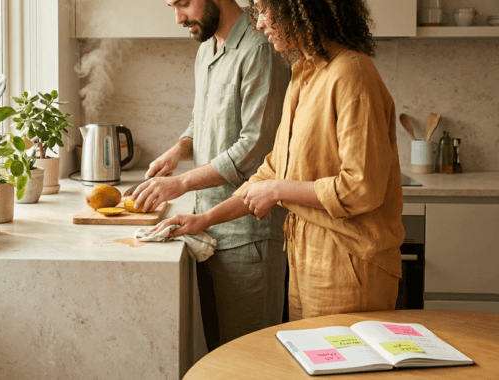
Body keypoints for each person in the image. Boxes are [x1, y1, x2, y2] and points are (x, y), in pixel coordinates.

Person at [152, 0, 405, 322]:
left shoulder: (351, 73)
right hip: (307, 256)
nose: (259, 23)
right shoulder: (305, 73)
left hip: (349, 261)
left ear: (301, 8)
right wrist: (205, 220)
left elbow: (361, 188)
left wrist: (277, 190)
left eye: (266, 10)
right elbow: (272, 170)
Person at [131, 0, 290, 351]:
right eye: (172, 6)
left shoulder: (260, 48)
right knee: (222, 355)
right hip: (208, 230)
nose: (178, 17)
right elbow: (200, 119)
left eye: (184, 3)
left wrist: (182, 182)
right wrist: (177, 151)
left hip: (249, 238)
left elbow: (256, 148)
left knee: (251, 361)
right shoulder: (207, 49)